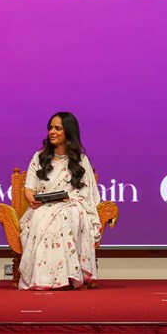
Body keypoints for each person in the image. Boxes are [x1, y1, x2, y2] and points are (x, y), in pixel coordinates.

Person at [18, 111, 102, 290]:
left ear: (68, 132)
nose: (52, 132)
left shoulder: (81, 160)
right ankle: (43, 278)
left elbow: (86, 194)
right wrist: (33, 200)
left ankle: (67, 277)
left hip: (72, 207)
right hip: (43, 206)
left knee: (63, 215)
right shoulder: (39, 157)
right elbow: (29, 188)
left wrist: (68, 202)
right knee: (45, 215)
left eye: (57, 128)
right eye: (50, 128)